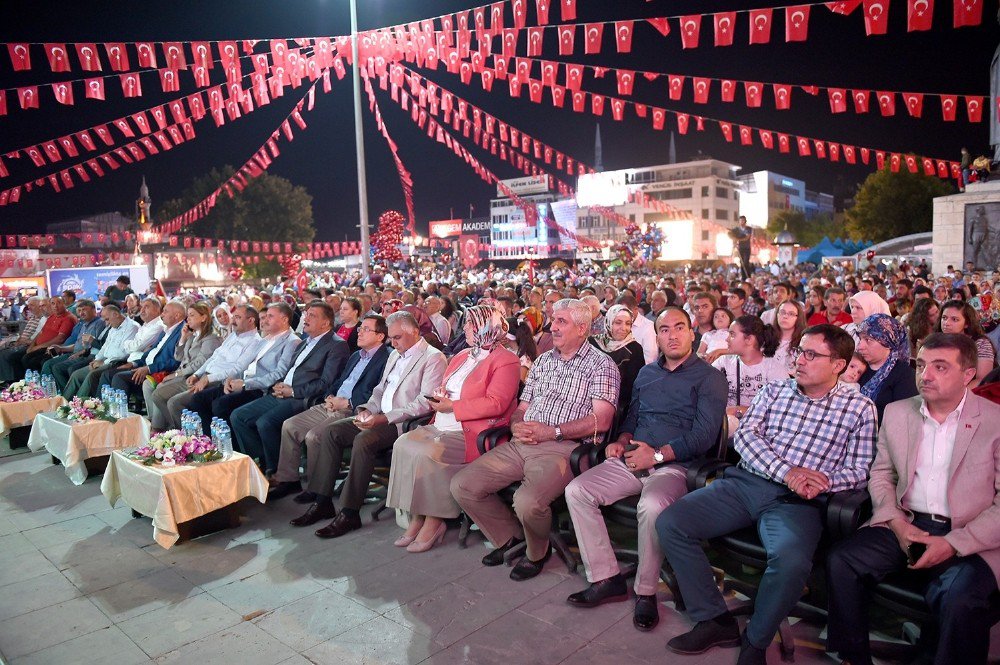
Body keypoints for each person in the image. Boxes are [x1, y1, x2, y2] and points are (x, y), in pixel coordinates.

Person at [657, 324, 877, 664]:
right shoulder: (775, 390)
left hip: (798, 503)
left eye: (811, 354)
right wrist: (787, 473)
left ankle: (756, 640)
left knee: (790, 561)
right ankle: (714, 619)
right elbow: (745, 439)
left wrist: (823, 482)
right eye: (800, 351)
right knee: (672, 521)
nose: (800, 360)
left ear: (839, 365)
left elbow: (860, 469)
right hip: (748, 484)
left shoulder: (859, 408)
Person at [826, 333, 1000, 665]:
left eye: (940, 367)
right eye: (921, 365)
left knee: (959, 598)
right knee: (842, 560)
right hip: (908, 522)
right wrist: (896, 522)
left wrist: (952, 544)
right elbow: (881, 475)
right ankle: (854, 657)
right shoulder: (898, 412)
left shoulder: (994, 421)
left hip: (971, 532)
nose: (926, 375)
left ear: (968, 374)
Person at [564, 307, 727, 631]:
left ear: (692, 332)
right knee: (577, 490)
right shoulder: (647, 374)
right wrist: (622, 440)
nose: (672, 335)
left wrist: (656, 456)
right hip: (633, 457)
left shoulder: (709, 377)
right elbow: (634, 416)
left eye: (679, 327)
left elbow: (704, 435)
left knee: (651, 506)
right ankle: (606, 577)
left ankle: (646, 592)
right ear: (657, 336)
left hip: (675, 466)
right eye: (664, 329)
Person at [451, 299, 620, 581]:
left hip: (563, 448)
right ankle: (510, 539)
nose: (552, 326)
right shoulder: (543, 361)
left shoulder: (601, 365)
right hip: (524, 442)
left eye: (561, 322)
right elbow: (521, 408)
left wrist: (551, 432)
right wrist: (517, 426)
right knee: (462, 485)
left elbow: (600, 421)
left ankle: (536, 552)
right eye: (553, 320)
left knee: (527, 501)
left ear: (582, 328)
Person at [289, 310, 446, 537]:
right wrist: (366, 410)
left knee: (364, 440)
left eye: (397, 338)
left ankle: (349, 513)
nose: (393, 343)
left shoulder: (432, 357)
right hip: (378, 414)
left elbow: (425, 403)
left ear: (414, 331)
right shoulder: (394, 355)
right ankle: (323, 501)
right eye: (391, 337)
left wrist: (383, 418)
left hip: (402, 423)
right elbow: (380, 389)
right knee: (331, 432)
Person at [387, 305, 520, 552]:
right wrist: (440, 396)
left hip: (472, 431)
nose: (465, 328)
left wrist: (454, 406)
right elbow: (446, 386)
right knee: (403, 444)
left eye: (470, 324)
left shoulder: (506, 360)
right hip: (443, 421)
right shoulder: (462, 355)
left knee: (427, 454)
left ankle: (435, 520)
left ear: (486, 326)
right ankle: (417, 516)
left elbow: (497, 403)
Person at [268, 314, 391, 503]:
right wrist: (330, 396)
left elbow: (377, 393)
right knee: (290, 426)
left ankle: (316, 489)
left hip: (354, 410)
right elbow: (340, 381)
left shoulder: (386, 358)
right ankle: (288, 479)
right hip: (332, 404)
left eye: (366, 329)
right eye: (360, 328)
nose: (360, 332)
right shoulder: (356, 355)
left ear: (380, 336)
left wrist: (347, 403)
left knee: (314, 436)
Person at [230, 301, 349, 475]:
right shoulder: (304, 342)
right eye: (306, 313)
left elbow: (326, 383)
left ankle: (277, 471)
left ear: (325, 323)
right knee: (238, 416)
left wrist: (292, 391)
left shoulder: (336, 344)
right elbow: (289, 370)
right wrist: (281, 385)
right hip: (282, 392)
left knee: (265, 423)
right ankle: (260, 464)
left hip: (302, 397)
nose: (306, 318)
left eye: (312, 315)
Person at [188, 302, 301, 433]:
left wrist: (244, 384)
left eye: (270, 316)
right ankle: (209, 443)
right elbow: (243, 365)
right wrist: (230, 379)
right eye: (264, 317)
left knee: (220, 405)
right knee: (199, 399)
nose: (264, 320)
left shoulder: (292, 341)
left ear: (284, 319)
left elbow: (278, 373)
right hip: (242, 381)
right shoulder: (266, 339)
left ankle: (232, 448)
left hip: (259, 387)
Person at [163, 305, 263, 428]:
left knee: (176, 403)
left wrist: (207, 379)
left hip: (219, 380)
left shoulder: (255, 342)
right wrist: (197, 374)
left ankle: (196, 440)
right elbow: (214, 357)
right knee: (166, 395)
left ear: (251, 320)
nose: (232, 320)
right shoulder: (233, 336)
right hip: (205, 376)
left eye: (237, 317)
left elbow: (238, 369)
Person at [143, 301, 221, 431]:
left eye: (191, 315)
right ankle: (169, 427)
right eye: (188, 316)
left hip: (196, 378)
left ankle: (176, 430)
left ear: (203, 318)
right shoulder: (192, 336)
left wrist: (177, 374)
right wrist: (183, 339)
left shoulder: (211, 338)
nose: (188, 319)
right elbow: (178, 357)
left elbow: (200, 363)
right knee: (158, 391)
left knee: (162, 396)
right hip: (185, 375)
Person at [107, 300, 186, 401]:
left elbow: (175, 361)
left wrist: (149, 369)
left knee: (119, 377)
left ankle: (119, 413)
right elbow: (151, 352)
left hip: (159, 372)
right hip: (145, 366)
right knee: (111, 373)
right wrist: (135, 363)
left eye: (165, 311)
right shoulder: (166, 330)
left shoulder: (183, 332)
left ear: (177, 315)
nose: (162, 315)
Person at [589, 304, 646, 437]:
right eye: (618, 323)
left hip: (615, 403)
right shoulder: (593, 343)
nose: (623, 328)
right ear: (608, 322)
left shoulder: (634, 349)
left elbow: (632, 387)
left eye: (627, 323)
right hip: (585, 396)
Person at [62, 305, 139, 398]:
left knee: (92, 375)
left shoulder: (132, 327)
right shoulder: (114, 327)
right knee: (76, 375)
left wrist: (103, 362)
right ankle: (65, 403)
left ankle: (80, 406)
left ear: (116, 314)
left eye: (107, 319)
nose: (107, 323)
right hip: (104, 360)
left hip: (117, 362)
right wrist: (96, 359)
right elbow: (105, 347)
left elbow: (123, 353)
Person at [857, 314, 919, 422]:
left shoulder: (904, 376)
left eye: (868, 340)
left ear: (888, 342)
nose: (859, 346)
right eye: (860, 339)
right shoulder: (857, 366)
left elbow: (903, 420)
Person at [40, 299, 105, 387]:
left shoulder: (99, 323)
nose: (81, 313)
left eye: (84, 310)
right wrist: (61, 348)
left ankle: (67, 395)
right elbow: (77, 345)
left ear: (94, 310)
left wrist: (79, 353)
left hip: (86, 355)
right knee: (48, 363)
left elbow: (95, 346)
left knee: (57, 368)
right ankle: (49, 390)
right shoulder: (84, 324)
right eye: (79, 310)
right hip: (74, 352)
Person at [937, 299, 996, 387]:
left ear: (966, 324)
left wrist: (955, 396)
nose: (946, 323)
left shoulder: (981, 344)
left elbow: (983, 380)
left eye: (954, 319)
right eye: (944, 318)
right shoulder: (937, 341)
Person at [15, 296, 78, 376]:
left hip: (54, 347)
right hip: (40, 346)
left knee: (30, 360)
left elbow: (60, 339)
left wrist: (36, 347)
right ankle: (29, 383)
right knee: (23, 357)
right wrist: (31, 346)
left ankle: (40, 383)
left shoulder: (68, 318)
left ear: (64, 304)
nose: (55, 306)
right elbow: (40, 332)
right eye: (53, 303)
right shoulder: (52, 316)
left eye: (59, 303)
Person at [770, 300, 807, 376]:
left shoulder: (804, 343)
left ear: (798, 318)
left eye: (791, 314)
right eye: (782, 312)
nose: (785, 316)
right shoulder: (766, 338)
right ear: (777, 314)